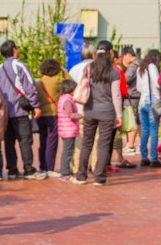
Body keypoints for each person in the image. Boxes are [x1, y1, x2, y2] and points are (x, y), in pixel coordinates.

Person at [72, 40, 122, 186]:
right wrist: (119, 115)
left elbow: (83, 87)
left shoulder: (89, 68)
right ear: (110, 53)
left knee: (86, 143)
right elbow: (116, 95)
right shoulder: (113, 72)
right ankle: (99, 177)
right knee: (103, 144)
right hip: (107, 112)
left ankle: (81, 176)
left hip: (90, 111)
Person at [0, 40, 43, 180]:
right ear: (14, 50)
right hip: (20, 111)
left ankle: (12, 170)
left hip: (5, 112)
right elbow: (30, 86)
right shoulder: (20, 65)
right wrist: (36, 105)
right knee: (25, 140)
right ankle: (28, 169)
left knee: (9, 142)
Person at [36, 58, 65, 177]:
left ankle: (42, 166)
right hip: (53, 113)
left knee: (43, 140)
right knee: (52, 141)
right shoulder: (58, 80)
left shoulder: (38, 82)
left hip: (41, 114)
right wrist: (63, 70)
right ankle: (49, 168)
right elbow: (72, 83)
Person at [136, 50, 161, 167]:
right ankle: (153, 159)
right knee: (153, 131)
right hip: (152, 102)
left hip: (142, 102)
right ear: (155, 58)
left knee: (145, 130)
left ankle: (144, 157)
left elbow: (138, 88)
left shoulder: (140, 68)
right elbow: (157, 83)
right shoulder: (152, 67)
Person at [57, 78, 82, 178]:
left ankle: (66, 169)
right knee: (68, 151)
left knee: (67, 150)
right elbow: (70, 115)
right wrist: (81, 115)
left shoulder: (63, 98)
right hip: (68, 129)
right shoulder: (67, 100)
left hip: (66, 129)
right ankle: (65, 171)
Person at [121, 47, 141, 155]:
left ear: (128, 54)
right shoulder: (141, 63)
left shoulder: (133, 65)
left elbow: (126, 78)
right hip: (138, 96)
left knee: (131, 120)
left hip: (132, 96)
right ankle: (140, 145)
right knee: (138, 121)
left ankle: (131, 145)